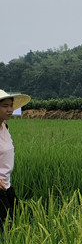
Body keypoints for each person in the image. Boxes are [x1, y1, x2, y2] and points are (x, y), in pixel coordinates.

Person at [0, 89, 30, 231]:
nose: (10, 109)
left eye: (11, 105)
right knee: (6, 229)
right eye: (5, 106)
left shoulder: (4, 126)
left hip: (7, 185)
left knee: (19, 220)